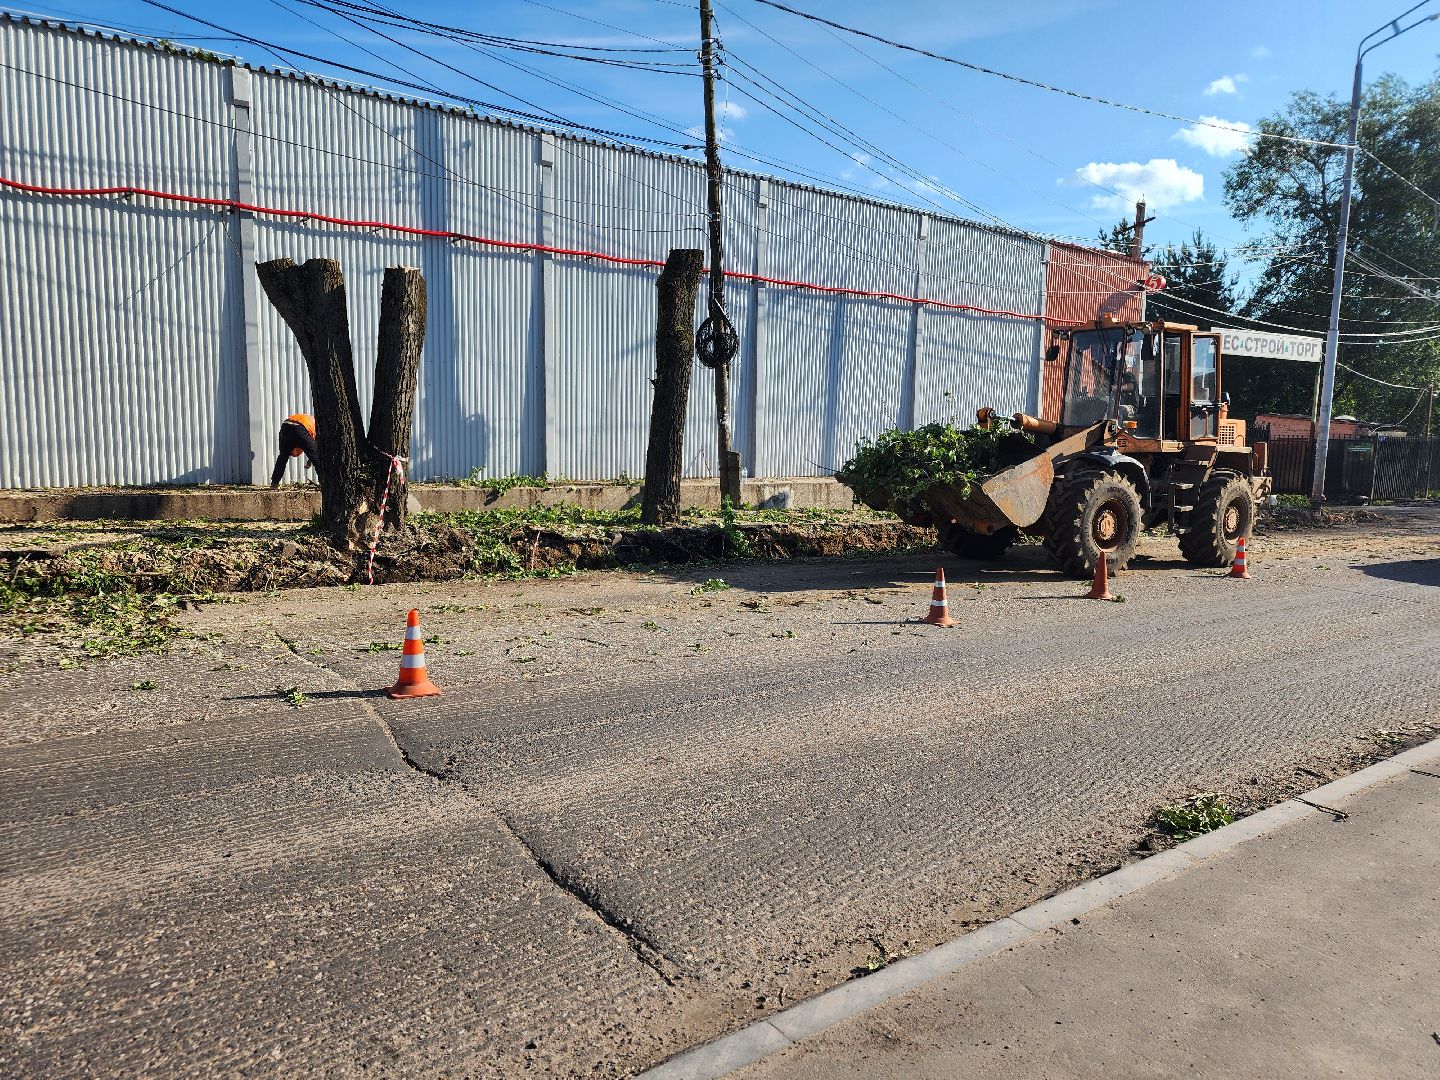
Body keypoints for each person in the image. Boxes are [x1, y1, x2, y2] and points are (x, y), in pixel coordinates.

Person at [270, 412, 318, 489]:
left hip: (285, 426)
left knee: (282, 457)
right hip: (300, 428)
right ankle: (326, 483)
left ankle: (274, 484)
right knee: (317, 458)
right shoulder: (319, 426)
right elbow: (314, 452)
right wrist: (311, 461)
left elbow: (312, 448)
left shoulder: (309, 419)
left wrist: (310, 461)